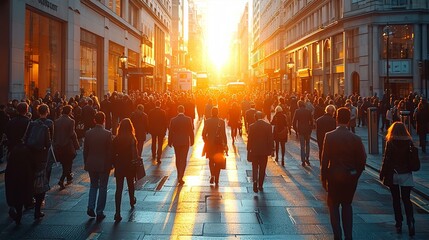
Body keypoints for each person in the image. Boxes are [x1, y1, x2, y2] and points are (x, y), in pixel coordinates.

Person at [321, 107, 367, 240]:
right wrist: (355, 174)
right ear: (349, 120)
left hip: (334, 176)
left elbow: (324, 160)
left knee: (333, 206)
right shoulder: (356, 138)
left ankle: (337, 236)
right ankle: (348, 236)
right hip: (350, 177)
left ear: (336, 118)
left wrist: (324, 178)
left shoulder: (329, 136)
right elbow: (362, 160)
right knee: (347, 205)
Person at [379, 122, 416, 236]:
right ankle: (410, 220)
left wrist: (382, 173)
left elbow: (387, 159)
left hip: (393, 173)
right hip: (406, 174)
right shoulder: (409, 142)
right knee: (406, 199)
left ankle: (398, 222)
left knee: (396, 200)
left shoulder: (390, 142)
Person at [4, 102, 32, 224]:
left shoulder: (11, 122)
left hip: (12, 154)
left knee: (11, 180)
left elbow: (6, 137)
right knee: (24, 180)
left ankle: (12, 204)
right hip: (25, 155)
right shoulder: (29, 123)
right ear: (26, 110)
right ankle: (23, 205)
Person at [83, 112, 112, 221]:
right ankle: (100, 211)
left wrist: (86, 162)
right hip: (103, 164)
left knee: (93, 185)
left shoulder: (88, 133)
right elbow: (110, 152)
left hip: (91, 163)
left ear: (94, 120)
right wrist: (110, 164)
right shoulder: (107, 134)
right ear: (104, 120)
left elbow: (85, 150)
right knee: (103, 187)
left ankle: (90, 207)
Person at [112, 118, 138, 222]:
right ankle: (132, 200)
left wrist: (114, 163)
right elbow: (134, 153)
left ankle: (117, 212)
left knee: (119, 188)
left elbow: (113, 153)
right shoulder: (132, 138)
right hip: (130, 165)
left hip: (120, 165)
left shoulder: (117, 139)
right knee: (130, 184)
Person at [32, 104, 54, 220]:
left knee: (33, 178)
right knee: (44, 180)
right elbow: (50, 142)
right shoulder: (49, 123)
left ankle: (32, 198)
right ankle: (38, 207)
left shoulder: (33, 123)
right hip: (45, 156)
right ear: (47, 111)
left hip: (33, 155)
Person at [53, 105, 80, 190]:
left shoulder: (56, 121)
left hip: (59, 145)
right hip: (67, 145)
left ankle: (69, 177)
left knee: (65, 162)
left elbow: (55, 134)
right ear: (69, 111)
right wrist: (77, 145)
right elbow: (72, 134)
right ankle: (62, 179)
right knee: (68, 163)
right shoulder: (71, 121)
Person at [168, 105, 194, 185]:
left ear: (177, 111)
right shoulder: (188, 119)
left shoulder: (173, 120)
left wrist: (170, 141)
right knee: (183, 159)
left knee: (178, 158)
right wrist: (192, 140)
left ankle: (179, 173)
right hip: (185, 141)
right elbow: (191, 131)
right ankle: (181, 175)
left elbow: (170, 131)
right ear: (184, 110)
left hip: (176, 141)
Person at [248, 111, 274, 193]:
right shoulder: (268, 126)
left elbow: (250, 140)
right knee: (262, 168)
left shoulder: (252, 126)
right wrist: (271, 149)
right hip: (264, 151)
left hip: (255, 151)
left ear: (255, 117)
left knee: (255, 167)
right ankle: (260, 185)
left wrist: (249, 149)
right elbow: (270, 139)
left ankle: (255, 181)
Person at [202, 107, 228, 187]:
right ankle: (217, 179)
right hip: (219, 145)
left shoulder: (207, 121)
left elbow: (203, 134)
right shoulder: (222, 122)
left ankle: (212, 174)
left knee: (211, 160)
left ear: (211, 113)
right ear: (218, 113)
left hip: (210, 145)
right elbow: (224, 134)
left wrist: (206, 141)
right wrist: (226, 145)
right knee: (218, 162)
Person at [292, 100, 313, 167]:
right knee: (307, 144)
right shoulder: (308, 111)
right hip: (307, 129)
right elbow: (311, 121)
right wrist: (310, 129)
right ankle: (307, 158)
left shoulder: (297, 111)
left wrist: (296, 130)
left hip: (301, 130)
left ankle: (303, 160)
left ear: (298, 105)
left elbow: (294, 122)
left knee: (302, 146)